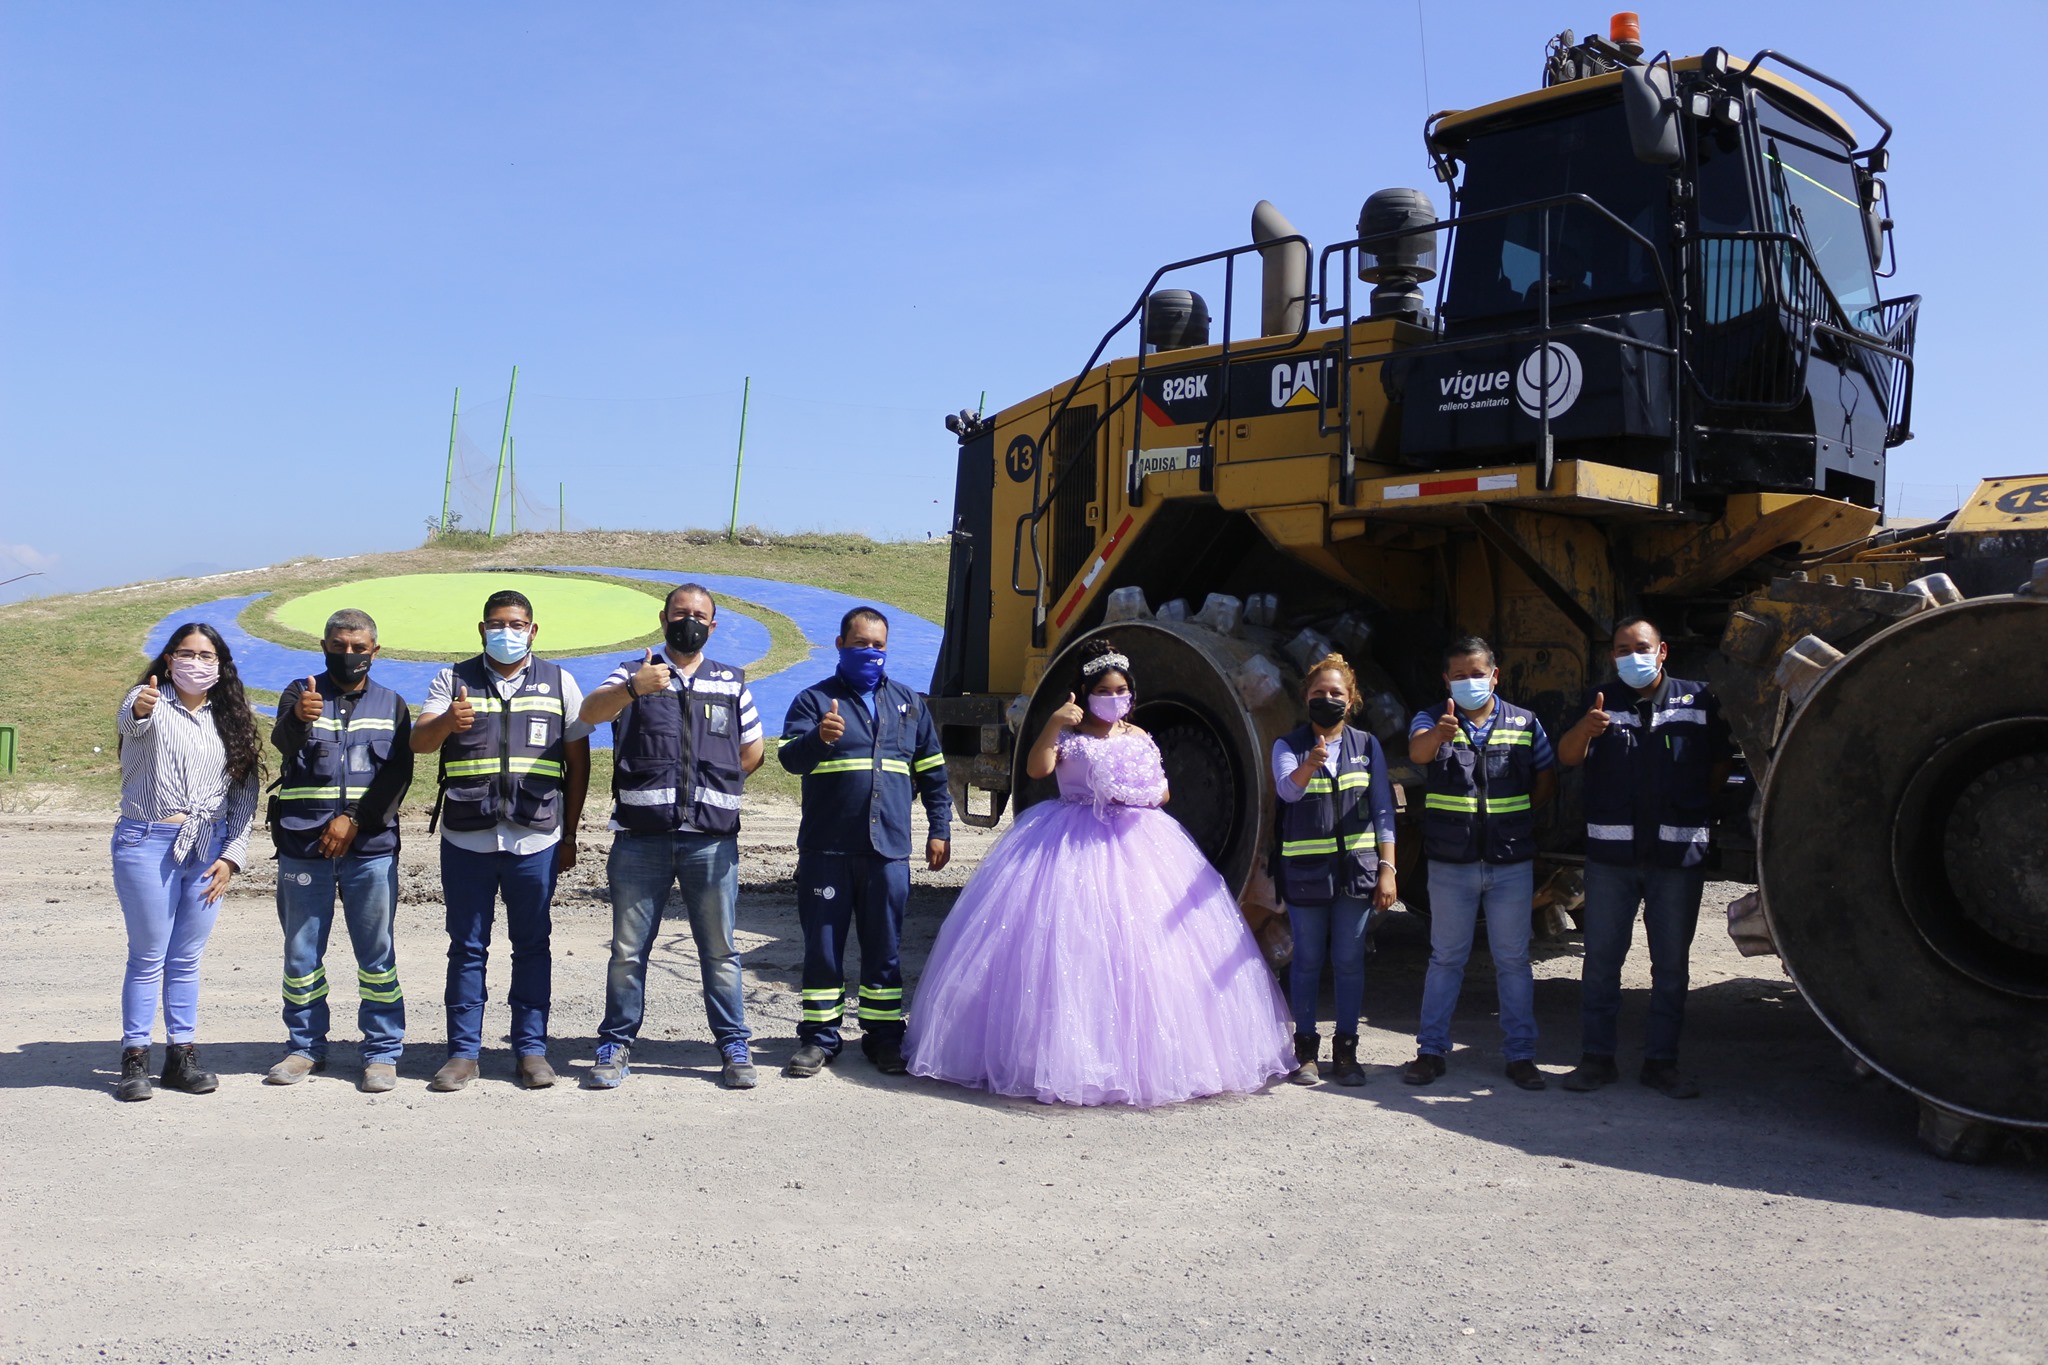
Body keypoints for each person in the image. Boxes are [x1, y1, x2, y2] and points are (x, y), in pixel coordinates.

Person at [907, 637, 1294, 1105]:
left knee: (1146, 948)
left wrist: (1142, 793)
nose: (1115, 698)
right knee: (1070, 947)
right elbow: (1036, 769)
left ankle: (1146, 1058)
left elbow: (1164, 790)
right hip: (1072, 840)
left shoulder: (1139, 736)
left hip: (1141, 841)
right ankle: (1058, 1056)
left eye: (1122, 690)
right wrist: (1052, 724)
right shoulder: (1070, 736)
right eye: (1106, 690)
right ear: (1087, 692)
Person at [578, 583, 766, 1090]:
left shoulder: (731, 682)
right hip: (642, 839)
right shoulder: (633, 672)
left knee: (720, 951)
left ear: (714, 624)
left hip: (710, 840)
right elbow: (591, 714)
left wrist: (712, 790)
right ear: (663, 619)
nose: (690, 621)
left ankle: (733, 1044)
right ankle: (615, 1043)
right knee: (627, 950)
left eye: (700, 615)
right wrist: (635, 688)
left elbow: (752, 751)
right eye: (681, 613)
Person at [410, 588, 591, 1092]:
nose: (506, 632)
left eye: (516, 623)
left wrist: (571, 834)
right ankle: (462, 1054)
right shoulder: (452, 679)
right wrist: (448, 721)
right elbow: (419, 743)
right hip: (467, 837)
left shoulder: (560, 682)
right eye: (496, 623)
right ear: (481, 629)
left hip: (536, 838)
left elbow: (579, 765)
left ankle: (531, 1050)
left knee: (533, 945)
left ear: (533, 630)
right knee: (467, 947)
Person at [1556, 616, 1732, 1099]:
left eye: (1641, 646)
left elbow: (1719, 765)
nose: (1631, 655)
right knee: (1601, 963)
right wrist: (1586, 730)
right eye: (1621, 648)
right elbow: (1567, 758)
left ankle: (1661, 1063)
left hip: (1676, 860)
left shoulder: (1698, 699)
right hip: (1612, 859)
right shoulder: (1599, 702)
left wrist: (1691, 810)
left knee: (1671, 967)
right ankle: (1596, 1060)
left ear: (1663, 650)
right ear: (1612, 656)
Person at [777, 605, 951, 1077]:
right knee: (823, 947)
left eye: (878, 645)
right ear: (840, 645)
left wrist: (940, 828)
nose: (869, 652)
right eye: (860, 644)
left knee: (885, 948)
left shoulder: (910, 704)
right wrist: (818, 738)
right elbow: (790, 761)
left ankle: (883, 1038)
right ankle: (818, 1038)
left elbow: (933, 773)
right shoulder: (813, 701)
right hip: (827, 849)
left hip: (888, 850)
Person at [264, 608, 415, 1093]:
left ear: (375, 650)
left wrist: (356, 820)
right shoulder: (301, 692)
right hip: (302, 845)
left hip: (369, 848)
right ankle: (305, 1046)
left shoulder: (392, 704)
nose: (347, 655)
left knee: (377, 955)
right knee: (301, 953)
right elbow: (283, 744)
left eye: (358, 647)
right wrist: (297, 718)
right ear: (324, 646)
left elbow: (397, 776)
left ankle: (381, 1052)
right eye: (338, 646)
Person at [111, 623, 262, 1101]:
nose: (196, 663)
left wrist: (231, 858)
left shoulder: (232, 717)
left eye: (207, 655)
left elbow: (242, 795)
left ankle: (182, 1055)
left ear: (221, 664)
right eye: (186, 653)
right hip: (146, 841)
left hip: (207, 847)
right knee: (148, 954)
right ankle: (135, 1059)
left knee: (186, 958)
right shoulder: (149, 701)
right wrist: (139, 706)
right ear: (170, 659)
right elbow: (130, 719)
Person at [1400, 636, 1556, 1091]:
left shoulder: (1525, 723)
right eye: (1460, 675)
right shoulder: (1431, 719)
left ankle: (1521, 1056)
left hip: (1510, 863)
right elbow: (1417, 755)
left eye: (1477, 673)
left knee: (1513, 961)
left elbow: (1546, 779)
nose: (1470, 682)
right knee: (1446, 958)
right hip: (1452, 864)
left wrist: (1520, 818)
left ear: (1495, 676)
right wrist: (1438, 735)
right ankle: (1430, 1052)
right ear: (1446, 679)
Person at [1271, 653, 1399, 1086]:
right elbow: (1287, 792)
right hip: (1306, 873)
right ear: (1305, 698)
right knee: (1306, 960)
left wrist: (1388, 868)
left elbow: (1383, 809)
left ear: (1352, 699)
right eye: (1318, 693)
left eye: (1336, 693)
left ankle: (1346, 1053)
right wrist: (1310, 764)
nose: (1327, 699)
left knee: (1349, 960)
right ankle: (1305, 1050)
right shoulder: (1288, 746)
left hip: (1357, 873)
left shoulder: (1367, 746)